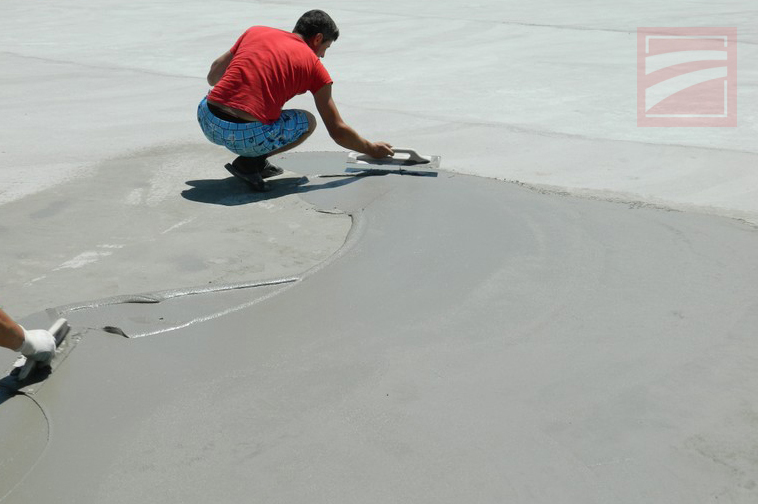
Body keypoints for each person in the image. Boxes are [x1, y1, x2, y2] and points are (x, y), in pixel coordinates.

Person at [197, 9, 394, 191]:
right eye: (326, 47)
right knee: (307, 121)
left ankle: (254, 159)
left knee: (224, 101)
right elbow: (337, 131)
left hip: (207, 121)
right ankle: (250, 163)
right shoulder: (314, 66)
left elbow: (213, 76)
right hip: (246, 137)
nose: (323, 55)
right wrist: (371, 149)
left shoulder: (255, 32)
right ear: (318, 39)